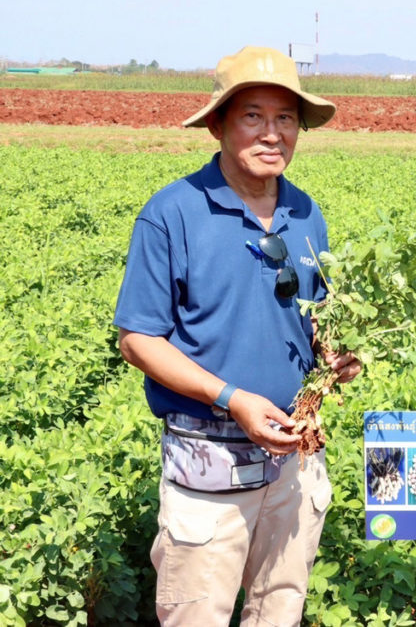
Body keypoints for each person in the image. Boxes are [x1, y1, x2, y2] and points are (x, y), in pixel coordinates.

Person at [114, 46, 362, 626]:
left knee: (279, 612)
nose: (272, 133)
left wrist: (336, 357)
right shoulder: (172, 213)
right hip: (209, 466)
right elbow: (138, 340)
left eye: (286, 119)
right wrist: (232, 398)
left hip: (295, 461)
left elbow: (313, 314)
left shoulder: (306, 213)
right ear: (218, 124)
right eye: (253, 115)